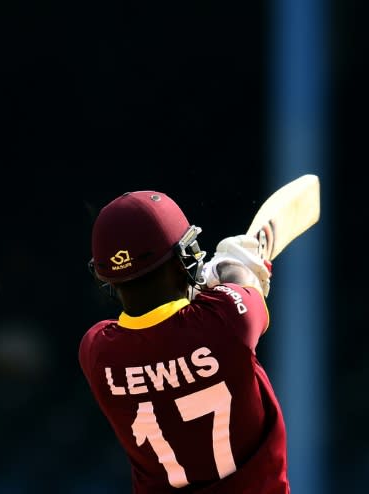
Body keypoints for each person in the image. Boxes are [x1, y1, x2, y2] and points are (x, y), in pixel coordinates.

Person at [78, 190, 290, 493]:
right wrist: (229, 264)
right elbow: (242, 281)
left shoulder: (96, 352)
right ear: (183, 259)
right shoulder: (229, 320)